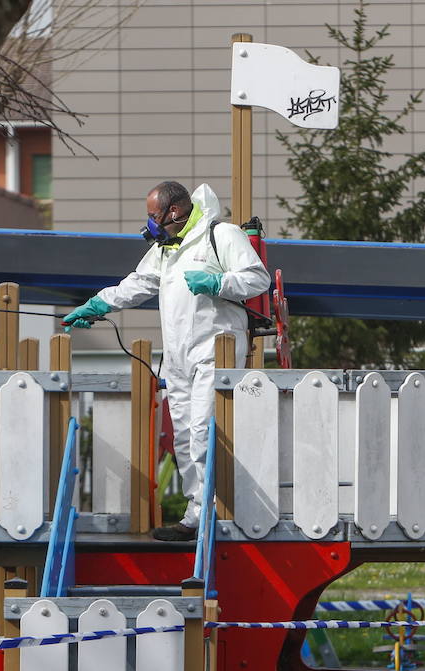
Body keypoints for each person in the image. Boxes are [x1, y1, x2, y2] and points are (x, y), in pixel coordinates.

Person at [63, 181, 270, 541]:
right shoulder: (166, 250)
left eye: (153, 214)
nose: (150, 223)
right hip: (177, 356)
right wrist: (98, 304)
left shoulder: (220, 234)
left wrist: (217, 283)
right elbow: (137, 283)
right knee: (184, 438)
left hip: (214, 350)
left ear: (173, 211)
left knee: (204, 432)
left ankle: (211, 513)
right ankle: (195, 512)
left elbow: (258, 279)